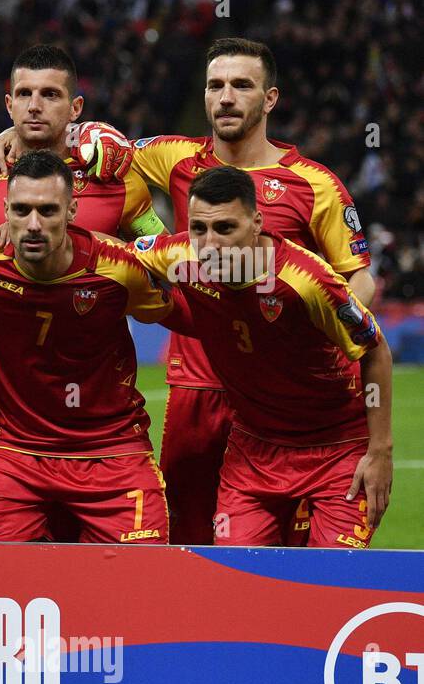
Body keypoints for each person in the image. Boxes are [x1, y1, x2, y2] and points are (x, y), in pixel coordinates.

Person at [0, 37, 375, 545]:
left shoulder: (313, 184)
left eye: (242, 85)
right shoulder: (177, 158)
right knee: (189, 538)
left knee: (300, 548)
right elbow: (85, 136)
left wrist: (328, 333)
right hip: (199, 385)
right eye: (216, 85)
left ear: (270, 98)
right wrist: (4, 137)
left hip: (286, 396)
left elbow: (358, 276)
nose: (227, 97)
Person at [0, 44, 167, 540]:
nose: (36, 105)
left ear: (76, 109)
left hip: (99, 423)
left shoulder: (117, 179)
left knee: (102, 575)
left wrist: (103, 246)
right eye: (25, 95)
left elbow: (160, 258)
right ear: (9, 105)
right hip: (0, 410)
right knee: (2, 579)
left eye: (51, 95)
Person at [129, 166, 392, 547]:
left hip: (336, 450)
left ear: (257, 223)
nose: (210, 243)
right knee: (237, 582)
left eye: (225, 229)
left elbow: (375, 348)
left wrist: (380, 452)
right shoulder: (180, 254)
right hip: (253, 450)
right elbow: (109, 255)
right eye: (199, 228)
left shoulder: (305, 280)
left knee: (331, 585)